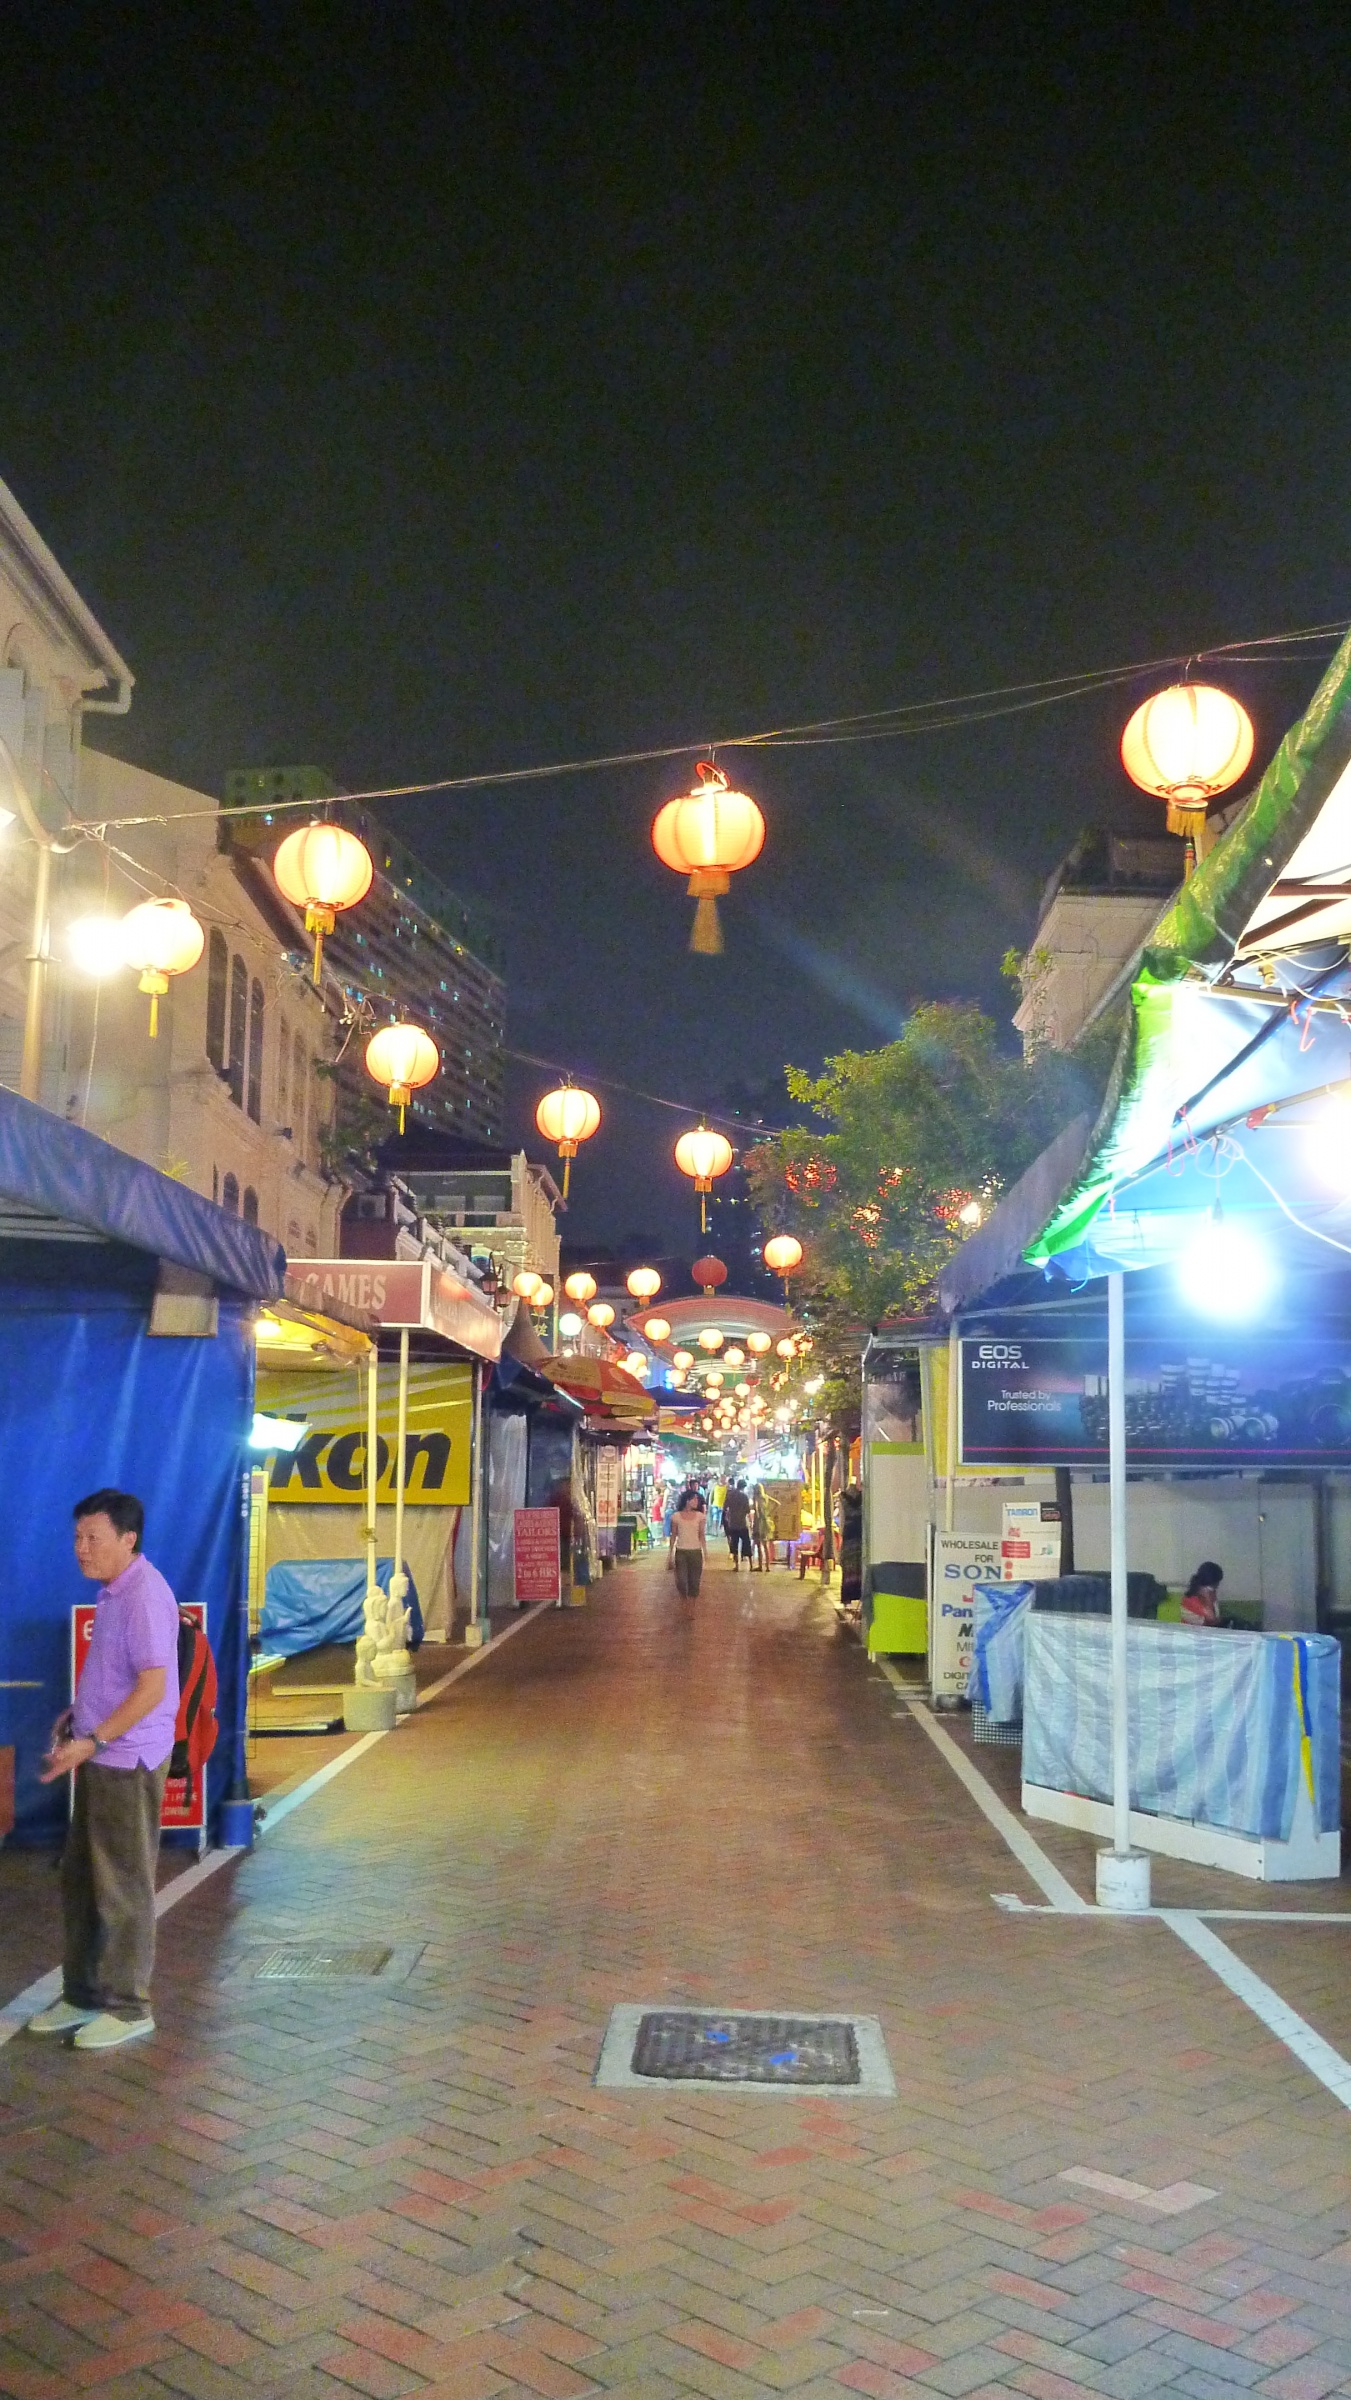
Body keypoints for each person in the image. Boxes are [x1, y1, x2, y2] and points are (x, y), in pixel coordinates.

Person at [27, 1490, 181, 2051]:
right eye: (77, 1537)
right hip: (100, 1753)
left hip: (126, 1759)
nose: (81, 1548)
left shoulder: (144, 1595)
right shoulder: (114, 1591)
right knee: (82, 1879)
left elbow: (153, 1687)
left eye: (93, 1537)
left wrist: (94, 1739)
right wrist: (80, 1714)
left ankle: (129, 2007)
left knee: (121, 1885)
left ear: (128, 1538)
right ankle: (83, 1994)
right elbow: (117, 1673)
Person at [668, 1486, 707, 1596]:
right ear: (687, 1501)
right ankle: (684, 1600)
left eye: (697, 1499)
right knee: (681, 1580)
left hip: (695, 1551)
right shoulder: (676, 1517)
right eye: (694, 1499)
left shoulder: (700, 1517)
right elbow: (673, 1535)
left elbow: (701, 1535)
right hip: (681, 1551)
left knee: (694, 1582)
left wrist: (705, 1551)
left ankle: (691, 1604)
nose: (696, 1501)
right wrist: (670, 1554)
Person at [1181, 1560, 1224, 1627]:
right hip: (1191, 1632)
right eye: (1216, 1584)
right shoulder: (1189, 1601)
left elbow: (1217, 1618)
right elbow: (1211, 1619)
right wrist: (1207, 1598)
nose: (1217, 1587)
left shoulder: (1212, 1594)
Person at [722, 1478, 752, 1570]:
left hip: (733, 1523)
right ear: (743, 1487)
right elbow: (747, 1510)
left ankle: (736, 1565)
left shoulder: (730, 1495)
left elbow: (725, 1507)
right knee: (746, 1544)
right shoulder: (744, 1496)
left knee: (734, 1544)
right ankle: (751, 1565)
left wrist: (729, 1515)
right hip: (742, 1523)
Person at [751, 1482, 772, 1572]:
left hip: (758, 1523)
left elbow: (756, 1509)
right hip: (765, 1522)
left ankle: (760, 1566)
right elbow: (777, 1503)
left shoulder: (756, 1498)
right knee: (766, 1545)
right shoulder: (766, 1497)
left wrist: (757, 1517)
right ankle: (767, 1566)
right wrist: (768, 1513)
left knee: (759, 1545)